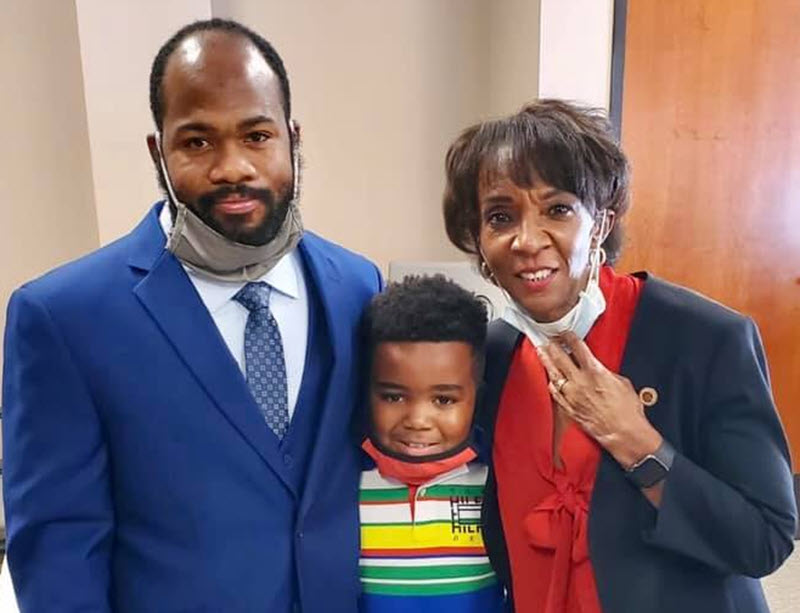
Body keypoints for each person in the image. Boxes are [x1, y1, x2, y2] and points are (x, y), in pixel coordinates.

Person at [2, 18, 381, 612]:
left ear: (292, 138)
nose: (233, 167)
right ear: (159, 152)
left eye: (257, 135)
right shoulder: (62, 318)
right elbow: (58, 553)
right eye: (198, 142)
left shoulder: (359, 287)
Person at [441, 99, 797, 612]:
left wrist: (637, 443)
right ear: (479, 240)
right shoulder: (492, 355)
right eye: (500, 217)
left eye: (558, 209)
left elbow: (765, 539)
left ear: (601, 224)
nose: (527, 240)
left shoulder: (705, 338)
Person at [357, 275, 505, 612]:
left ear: (476, 398)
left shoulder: (496, 483)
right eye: (393, 396)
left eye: (443, 400)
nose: (418, 420)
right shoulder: (345, 483)